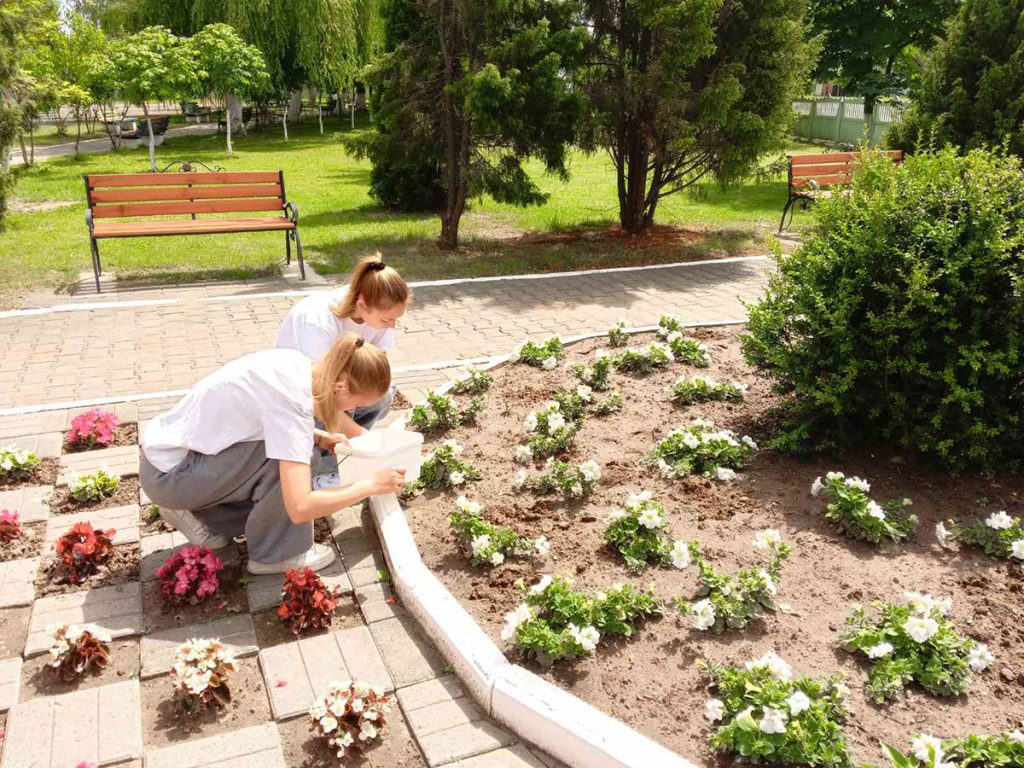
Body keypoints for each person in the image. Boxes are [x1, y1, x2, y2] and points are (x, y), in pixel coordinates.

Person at [139, 334, 406, 574]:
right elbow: (300, 507)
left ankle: (198, 515)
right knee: (291, 462)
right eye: (357, 404)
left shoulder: (297, 365)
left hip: (166, 461)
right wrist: (370, 485)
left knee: (300, 452)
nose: (352, 410)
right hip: (171, 477)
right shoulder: (292, 405)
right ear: (341, 388)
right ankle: (276, 555)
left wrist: (318, 436)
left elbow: (255, 420)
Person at [276, 253, 410, 485]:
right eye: (387, 320)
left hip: (336, 387)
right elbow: (320, 397)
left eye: (396, 319)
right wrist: (369, 444)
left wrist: (360, 440)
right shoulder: (317, 321)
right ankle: (325, 471)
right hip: (296, 396)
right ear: (361, 305)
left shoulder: (379, 314)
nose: (393, 326)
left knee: (383, 395)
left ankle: (345, 452)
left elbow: (377, 374)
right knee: (341, 408)